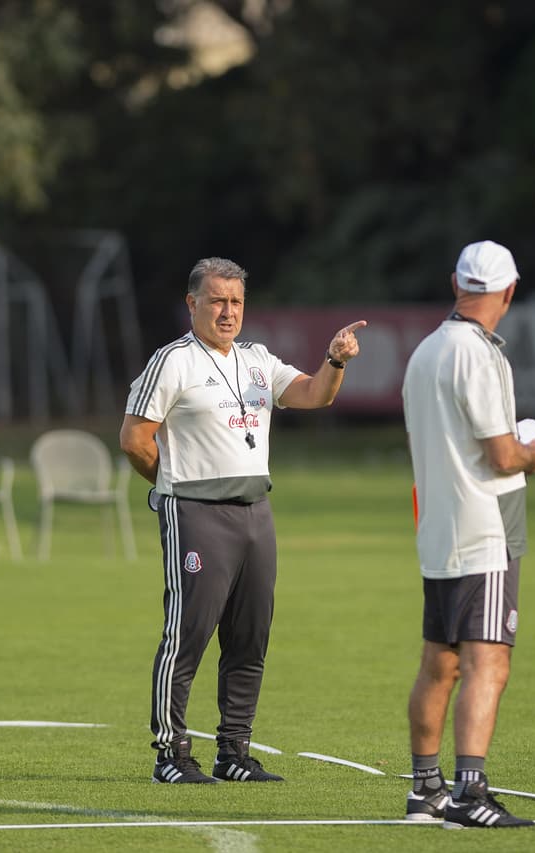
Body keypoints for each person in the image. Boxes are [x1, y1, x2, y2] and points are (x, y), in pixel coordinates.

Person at [120, 256, 366, 784]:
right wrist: (175, 486)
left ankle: (233, 752)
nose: (228, 311)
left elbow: (312, 394)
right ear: (193, 304)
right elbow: (134, 440)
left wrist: (335, 360)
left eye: (235, 301)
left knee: (250, 637)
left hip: (256, 511)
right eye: (216, 301)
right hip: (196, 513)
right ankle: (172, 753)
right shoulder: (173, 361)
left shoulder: (257, 359)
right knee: (188, 634)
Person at [401, 240, 535, 828]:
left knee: (440, 662)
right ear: (509, 292)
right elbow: (501, 452)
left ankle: (425, 790)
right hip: (483, 526)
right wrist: (533, 456)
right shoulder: (479, 355)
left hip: (437, 526)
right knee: (489, 662)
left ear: (455, 283)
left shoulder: (425, 351)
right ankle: (469, 792)